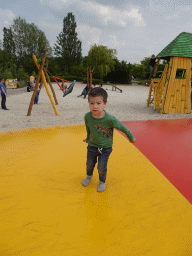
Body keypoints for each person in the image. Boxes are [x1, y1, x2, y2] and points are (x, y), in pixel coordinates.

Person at [82, 87, 136, 192]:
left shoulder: (110, 119)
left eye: (98, 103)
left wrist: (131, 137)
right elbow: (88, 128)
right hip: (92, 146)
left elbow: (122, 127)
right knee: (89, 164)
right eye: (91, 103)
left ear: (105, 103)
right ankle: (89, 176)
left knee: (101, 167)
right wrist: (88, 137)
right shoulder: (87, 116)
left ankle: (102, 181)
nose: (95, 106)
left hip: (105, 148)